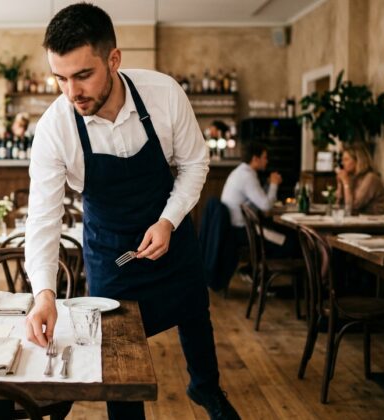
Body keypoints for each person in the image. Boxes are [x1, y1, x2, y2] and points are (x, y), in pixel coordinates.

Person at [24, 4, 239, 420]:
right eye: (61, 78)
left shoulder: (163, 93)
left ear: (114, 59)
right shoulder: (55, 128)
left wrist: (168, 220)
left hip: (170, 232)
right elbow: (44, 218)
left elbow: (196, 164)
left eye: (83, 75)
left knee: (195, 311)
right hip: (109, 248)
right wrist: (44, 295)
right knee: (118, 351)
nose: (72, 91)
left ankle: (206, 389)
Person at [221, 142, 296, 257]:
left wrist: (269, 184)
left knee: (287, 235)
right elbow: (266, 206)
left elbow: (260, 201)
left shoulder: (241, 171)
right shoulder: (247, 176)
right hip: (243, 231)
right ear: (255, 159)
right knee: (291, 243)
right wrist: (274, 184)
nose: (267, 161)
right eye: (265, 157)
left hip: (238, 229)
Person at [336, 143, 384, 215]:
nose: (342, 163)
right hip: (358, 220)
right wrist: (340, 184)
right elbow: (339, 206)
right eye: (342, 160)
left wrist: (345, 183)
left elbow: (352, 207)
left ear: (358, 160)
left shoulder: (371, 178)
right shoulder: (352, 177)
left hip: (375, 223)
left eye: (346, 159)